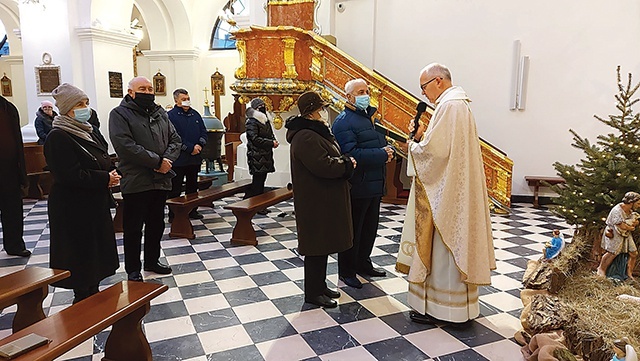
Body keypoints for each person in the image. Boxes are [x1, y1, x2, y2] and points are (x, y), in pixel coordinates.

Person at [396, 63, 496, 325]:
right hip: (453, 185)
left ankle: (443, 310)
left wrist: (412, 146)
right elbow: (442, 145)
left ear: (438, 81)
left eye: (424, 87)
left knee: (443, 249)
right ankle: (457, 309)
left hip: (447, 193)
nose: (423, 94)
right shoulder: (457, 104)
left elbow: (435, 154)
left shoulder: (450, 106)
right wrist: (423, 136)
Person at [44, 83, 120, 303]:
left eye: (86, 103)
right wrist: (104, 178)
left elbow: (101, 158)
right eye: (79, 104)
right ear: (67, 108)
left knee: (95, 253)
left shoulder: (88, 132)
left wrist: (111, 172)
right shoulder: (58, 136)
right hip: (72, 207)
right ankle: (82, 299)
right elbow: (68, 175)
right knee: (79, 255)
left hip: (93, 202)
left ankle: (92, 293)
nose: (85, 107)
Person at [286, 91, 355, 308]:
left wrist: (342, 162)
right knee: (316, 247)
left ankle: (320, 285)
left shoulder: (316, 132)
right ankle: (313, 293)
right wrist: (346, 165)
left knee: (323, 244)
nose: (324, 112)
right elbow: (322, 165)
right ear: (311, 112)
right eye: (321, 109)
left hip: (323, 198)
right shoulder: (306, 136)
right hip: (314, 200)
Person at [109, 76, 181, 282]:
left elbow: (175, 139)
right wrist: (157, 161)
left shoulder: (160, 114)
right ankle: (133, 268)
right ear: (131, 92)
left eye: (150, 89)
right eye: (142, 88)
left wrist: (167, 159)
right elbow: (125, 145)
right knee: (133, 226)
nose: (148, 92)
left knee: (156, 223)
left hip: (161, 179)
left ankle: (152, 261)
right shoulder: (119, 114)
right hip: (136, 178)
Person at [332, 78, 393, 288]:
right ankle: (347, 271)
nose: (365, 94)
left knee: (369, 229)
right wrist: (381, 154)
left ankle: (363, 263)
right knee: (354, 231)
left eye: (367, 90)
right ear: (348, 96)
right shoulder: (343, 122)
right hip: (357, 186)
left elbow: (378, 144)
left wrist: (387, 151)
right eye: (360, 91)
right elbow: (351, 153)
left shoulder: (370, 118)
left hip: (375, 183)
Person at [167, 88, 208, 221]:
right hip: (179, 158)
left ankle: (192, 211)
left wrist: (200, 145)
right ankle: (174, 214)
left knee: (192, 187)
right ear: (176, 100)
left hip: (194, 158)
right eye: (183, 99)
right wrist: (190, 148)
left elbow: (203, 131)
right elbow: (174, 136)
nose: (186, 101)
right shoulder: (171, 116)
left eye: (187, 98)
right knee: (176, 187)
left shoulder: (195, 114)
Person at [0, 95, 30, 257]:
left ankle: (15, 245)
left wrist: (22, 173)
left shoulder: (8, 108)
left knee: (12, 209)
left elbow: (17, 141)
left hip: (9, 169)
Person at [244, 98, 278, 215]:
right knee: (257, 182)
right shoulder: (251, 121)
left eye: (264, 105)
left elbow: (270, 134)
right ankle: (255, 205)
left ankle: (260, 204)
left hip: (265, 155)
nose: (262, 108)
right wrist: (270, 143)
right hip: (256, 156)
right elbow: (254, 138)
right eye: (260, 106)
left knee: (261, 181)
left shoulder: (265, 120)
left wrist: (274, 141)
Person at [597, 191, 640, 281]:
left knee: (633, 253)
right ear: (631, 202)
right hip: (614, 233)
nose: (639, 205)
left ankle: (629, 274)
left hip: (625, 234)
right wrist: (631, 228)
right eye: (638, 203)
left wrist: (635, 223)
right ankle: (601, 269)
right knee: (612, 252)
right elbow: (621, 225)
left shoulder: (631, 210)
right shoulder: (617, 210)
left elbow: (634, 220)